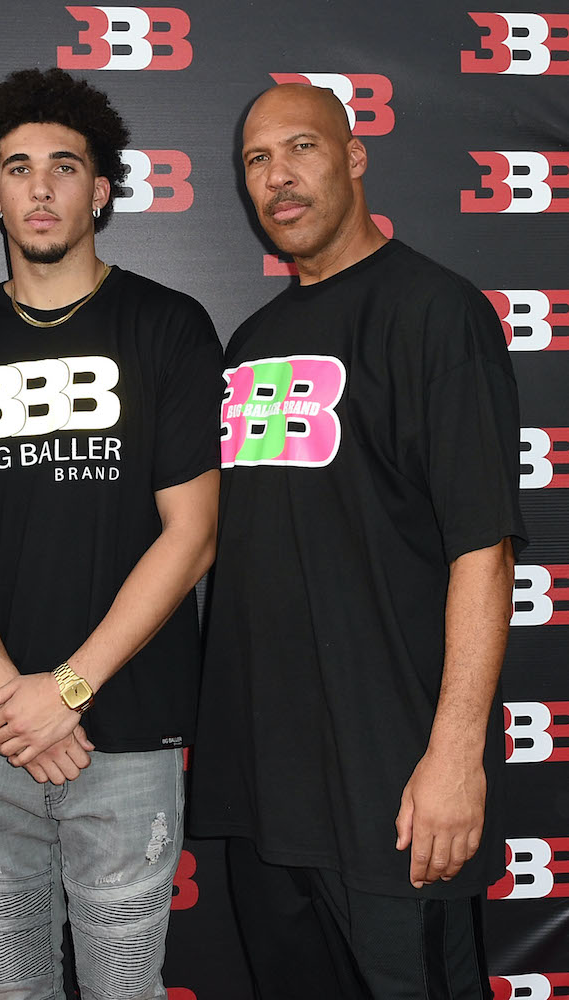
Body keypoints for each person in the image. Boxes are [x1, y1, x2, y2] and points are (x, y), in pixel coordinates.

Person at [0, 67, 221, 1000]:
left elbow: (189, 534)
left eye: (65, 166)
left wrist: (69, 689)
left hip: (126, 736)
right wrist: (13, 698)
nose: (40, 187)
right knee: (12, 993)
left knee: (126, 991)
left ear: (102, 188)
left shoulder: (169, 325)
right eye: (17, 168)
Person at [191, 83, 524, 999]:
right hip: (268, 795)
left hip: (393, 791)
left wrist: (455, 755)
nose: (278, 178)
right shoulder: (250, 342)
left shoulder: (437, 313)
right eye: (257, 160)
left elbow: (483, 549)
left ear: (354, 156)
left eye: (300, 148)